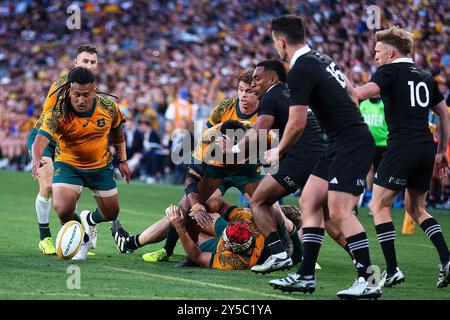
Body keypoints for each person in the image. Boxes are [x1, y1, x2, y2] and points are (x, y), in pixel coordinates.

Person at [264, 16, 380, 299]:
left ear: (281, 41)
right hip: (340, 141)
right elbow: (352, 96)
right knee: (310, 200)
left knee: (339, 211)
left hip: (350, 142)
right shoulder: (322, 58)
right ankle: (305, 276)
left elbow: (297, 123)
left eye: (273, 42)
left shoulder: (301, 67)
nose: (275, 47)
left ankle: (370, 280)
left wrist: (277, 151)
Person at [346, 26, 450, 289]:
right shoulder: (427, 76)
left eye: (378, 52)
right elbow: (444, 113)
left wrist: (339, 80)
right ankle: (447, 260)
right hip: (427, 147)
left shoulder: (388, 71)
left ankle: (392, 269)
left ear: (390, 52)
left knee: (378, 206)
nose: (376, 57)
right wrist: (441, 152)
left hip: (401, 146)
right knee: (416, 209)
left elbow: (359, 93)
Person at [228, 60, 350, 272]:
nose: (254, 83)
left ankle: (278, 253)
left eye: (257, 78)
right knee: (330, 218)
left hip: (300, 159)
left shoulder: (271, 96)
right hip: (321, 157)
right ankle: (364, 263)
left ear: (273, 79)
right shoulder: (292, 92)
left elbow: (258, 133)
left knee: (258, 201)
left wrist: (234, 150)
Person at [31, 67, 131, 260]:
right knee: (62, 207)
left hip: (100, 167)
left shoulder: (108, 106)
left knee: (111, 213)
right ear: (69, 91)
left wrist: (123, 160)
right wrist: (36, 160)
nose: (81, 99)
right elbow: (40, 141)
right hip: (69, 165)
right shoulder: (58, 112)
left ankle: (89, 219)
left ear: (94, 90)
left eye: (86, 94)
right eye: (77, 94)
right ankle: (82, 240)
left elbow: (118, 131)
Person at [27, 44, 99, 255]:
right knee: (48, 185)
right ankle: (45, 239)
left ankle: (78, 239)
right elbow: (50, 121)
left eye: (93, 62)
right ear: (75, 63)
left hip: (68, 145)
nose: (89, 65)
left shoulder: (94, 93)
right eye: (85, 61)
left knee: (68, 196)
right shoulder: (61, 86)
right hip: (47, 139)